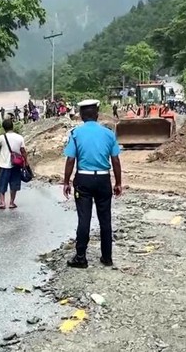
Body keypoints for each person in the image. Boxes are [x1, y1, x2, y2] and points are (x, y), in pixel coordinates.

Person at [62, 100, 122, 269]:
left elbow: (71, 159)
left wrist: (66, 182)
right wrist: (118, 183)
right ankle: (107, 257)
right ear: (97, 114)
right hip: (103, 180)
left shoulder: (75, 133)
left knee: (84, 219)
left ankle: (81, 257)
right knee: (105, 219)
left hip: (83, 180)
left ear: (81, 116)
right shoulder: (108, 134)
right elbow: (116, 160)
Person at [0, 119, 27, 210]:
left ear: (4, 128)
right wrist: (26, 162)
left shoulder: (2, 137)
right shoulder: (20, 137)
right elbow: (23, 151)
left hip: (4, 164)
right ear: (12, 126)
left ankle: (2, 202)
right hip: (16, 164)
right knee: (14, 184)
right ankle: (12, 202)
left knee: (2, 184)